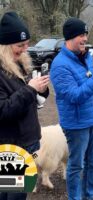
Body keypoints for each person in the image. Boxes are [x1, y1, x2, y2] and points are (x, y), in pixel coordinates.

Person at [50, 18, 93, 200]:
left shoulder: (85, 58)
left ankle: (89, 196)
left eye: (86, 34)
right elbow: (74, 96)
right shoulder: (60, 65)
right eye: (81, 35)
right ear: (69, 37)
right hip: (76, 125)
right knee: (77, 166)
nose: (85, 38)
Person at [0, 11, 49, 200]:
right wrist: (30, 89)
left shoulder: (18, 64)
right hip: (12, 147)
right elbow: (3, 110)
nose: (25, 49)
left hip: (26, 143)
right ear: (4, 46)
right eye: (20, 45)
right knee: (13, 196)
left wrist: (40, 89)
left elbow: (27, 97)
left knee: (13, 194)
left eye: (27, 44)